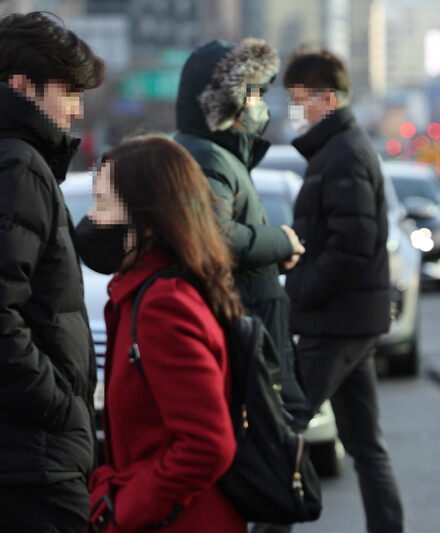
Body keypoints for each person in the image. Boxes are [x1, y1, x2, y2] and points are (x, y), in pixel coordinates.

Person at [76, 38, 309, 423]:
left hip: (254, 320)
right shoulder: (207, 157)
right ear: (223, 103)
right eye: (252, 95)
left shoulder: (221, 155)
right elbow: (214, 235)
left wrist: (272, 260)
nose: (261, 106)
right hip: (245, 326)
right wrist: (280, 240)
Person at [87, 137, 246, 532]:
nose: (91, 218)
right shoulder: (146, 292)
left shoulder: (162, 304)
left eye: (103, 204)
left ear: (148, 218)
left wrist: (122, 510)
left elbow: (208, 444)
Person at [283, 48, 404, 533]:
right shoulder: (338, 149)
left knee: (285, 426)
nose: (293, 109)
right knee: (365, 443)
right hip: (351, 318)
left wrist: (303, 290)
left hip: (335, 320)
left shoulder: (343, 153)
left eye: (298, 99)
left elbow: (353, 242)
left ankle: (269, 525)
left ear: (325, 99)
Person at [0, 12, 105, 533]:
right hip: (35, 459)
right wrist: (62, 406)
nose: (77, 108)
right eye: (68, 91)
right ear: (23, 86)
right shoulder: (19, 167)